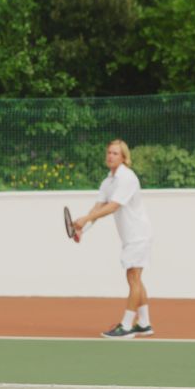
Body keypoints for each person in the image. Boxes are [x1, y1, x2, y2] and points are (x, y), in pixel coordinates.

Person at [73, 139, 154, 339]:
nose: (111, 156)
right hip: (130, 237)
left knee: (133, 278)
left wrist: (86, 219)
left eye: (115, 153)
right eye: (109, 152)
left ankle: (126, 326)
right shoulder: (108, 181)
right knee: (135, 277)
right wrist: (84, 227)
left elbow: (113, 206)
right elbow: (98, 207)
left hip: (139, 235)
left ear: (124, 157)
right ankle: (144, 324)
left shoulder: (127, 178)